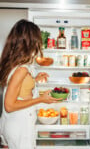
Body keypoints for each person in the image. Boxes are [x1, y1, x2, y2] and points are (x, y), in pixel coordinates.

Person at [0, 19, 62, 149]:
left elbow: (18, 88)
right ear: (30, 42)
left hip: (13, 124)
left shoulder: (16, 64)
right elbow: (9, 106)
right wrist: (41, 99)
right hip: (20, 125)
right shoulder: (22, 69)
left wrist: (34, 80)